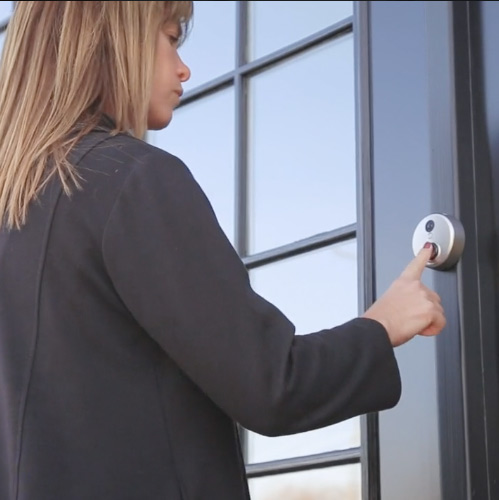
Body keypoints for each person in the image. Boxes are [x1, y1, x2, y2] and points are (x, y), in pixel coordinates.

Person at [0, 2, 445, 499]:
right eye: (171, 39)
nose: (184, 69)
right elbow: (272, 384)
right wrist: (383, 325)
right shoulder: (132, 180)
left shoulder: (17, 214)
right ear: (113, 40)